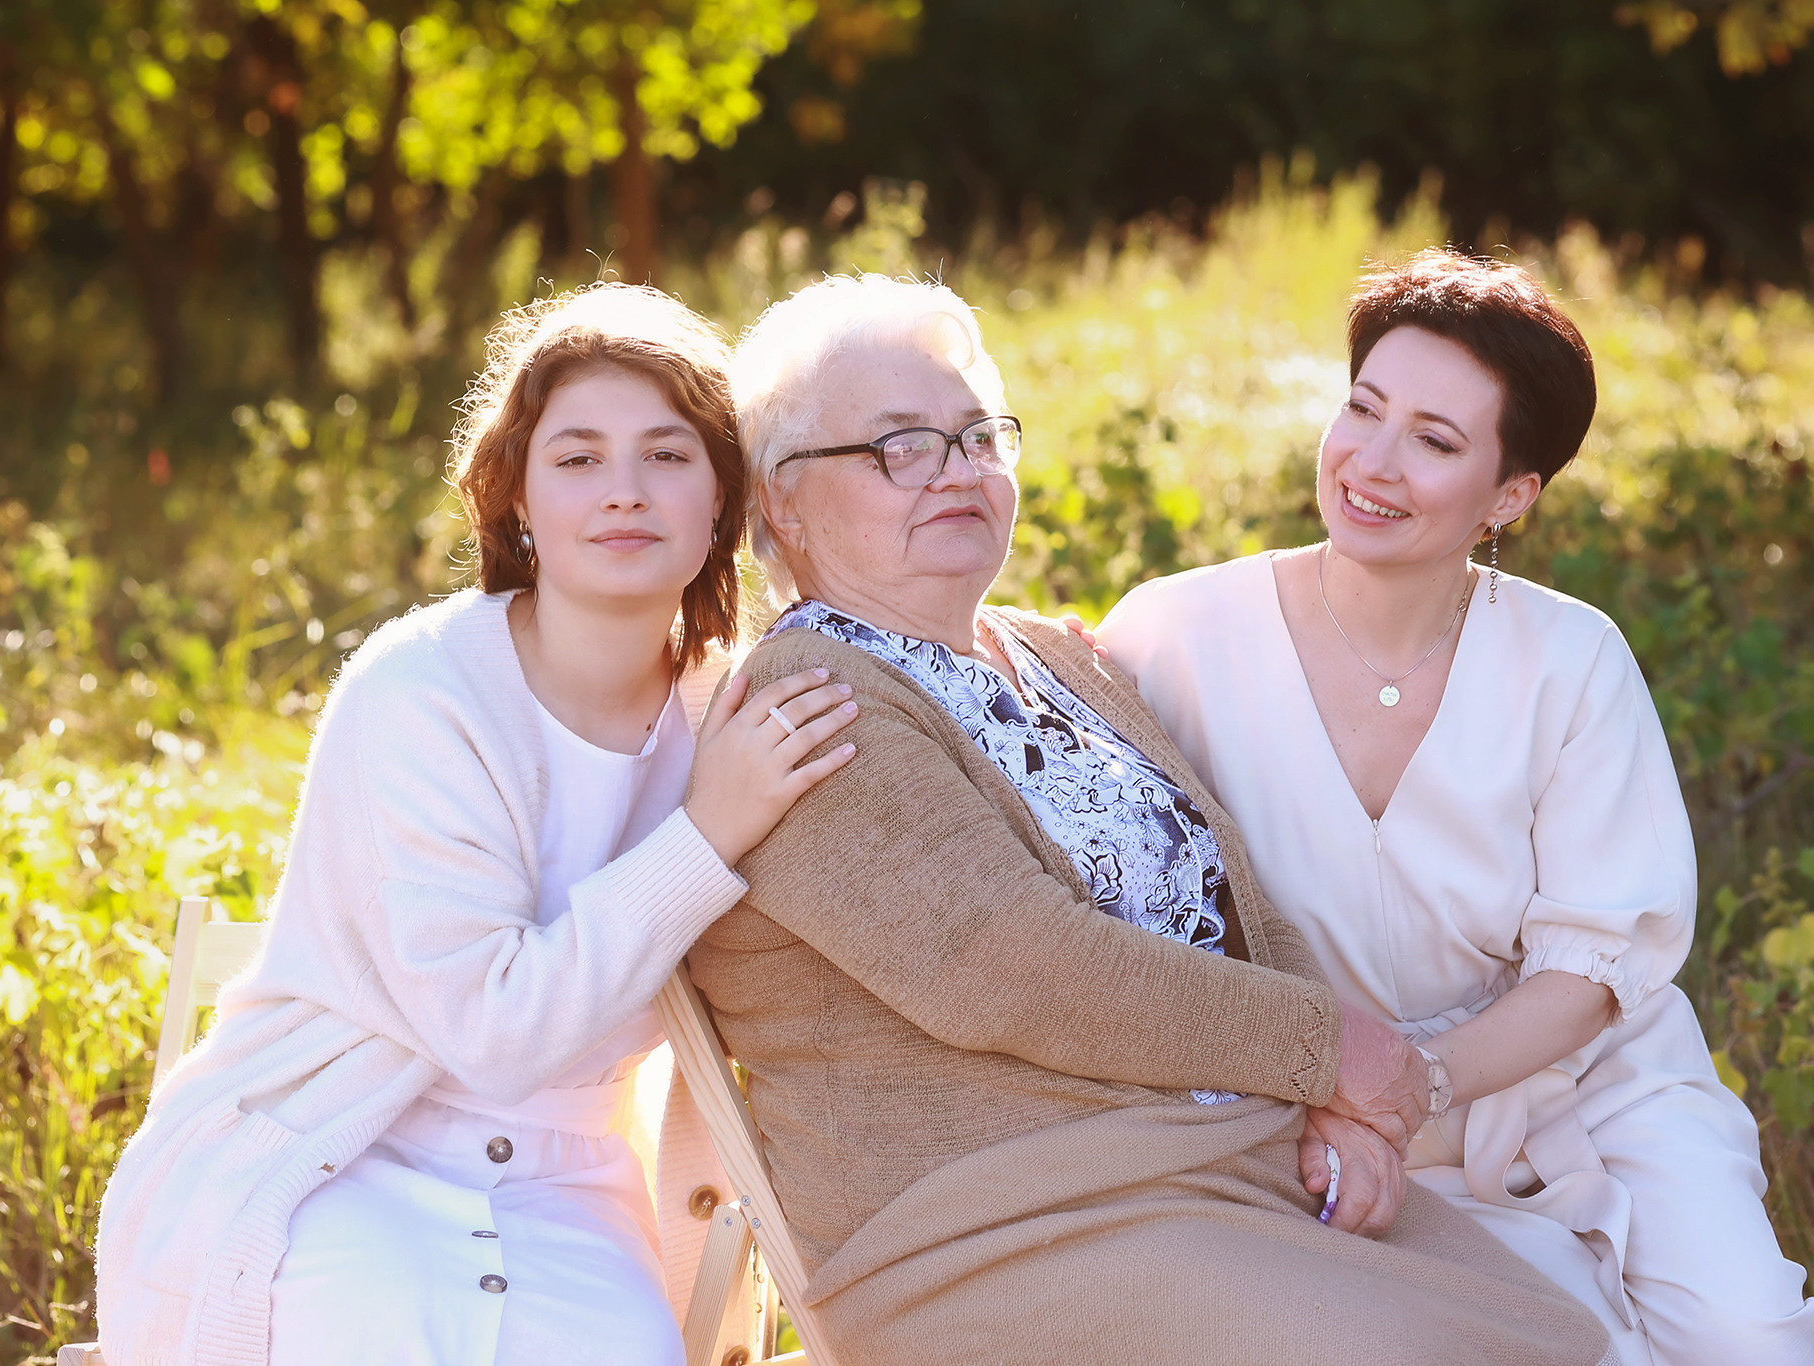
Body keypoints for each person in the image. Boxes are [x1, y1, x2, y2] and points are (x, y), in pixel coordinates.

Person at [682, 272, 1615, 1366]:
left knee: (1561, 1339)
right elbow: (1014, 966)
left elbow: (1241, 900)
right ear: (781, 501)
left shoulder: (1053, 654)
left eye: (977, 437)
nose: (958, 471)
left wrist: (1338, 1106)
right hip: (1001, 1225)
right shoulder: (813, 697)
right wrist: (1330, 1051)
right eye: (900, 447)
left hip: (1213, 1166)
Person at [91, 282, 858, 1366]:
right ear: (517, 497)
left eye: (667, 455)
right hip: (347, 1150)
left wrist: (1046, 656)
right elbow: (496, 1038)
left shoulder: (731, 711)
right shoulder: (423, 691)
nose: (625, 492)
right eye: (578, 457)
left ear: (724, 497)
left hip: (575, 1183)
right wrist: (705, 833)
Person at [1098, 248, 1814, 1365]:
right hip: (1327, 1119)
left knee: (1755, 1343)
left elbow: (1594, 971)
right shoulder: (1173, 636)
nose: (1371, 462)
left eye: (1434, 441)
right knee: (1572, 1349)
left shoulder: (1572, 659)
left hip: (1585, 1087)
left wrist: (1421, 1080)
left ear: (1510, 496)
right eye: (1363, 409)